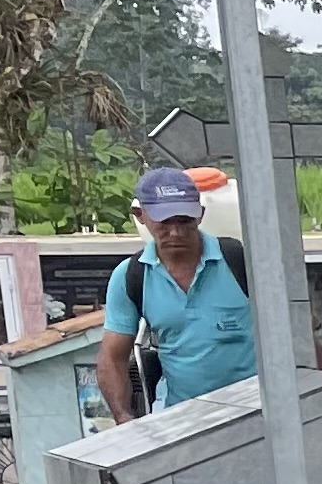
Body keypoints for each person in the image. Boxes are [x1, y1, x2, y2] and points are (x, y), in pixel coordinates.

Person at [96, 166, 260, 420]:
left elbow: (295, 330)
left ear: (200, 215)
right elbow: (113, 358)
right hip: (182, 418)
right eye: (164, 222)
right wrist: (123, 419)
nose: (175, 232)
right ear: (140, 215)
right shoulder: (131, 276)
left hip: (256, 414)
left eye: (184, 221)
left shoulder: (241, 262)